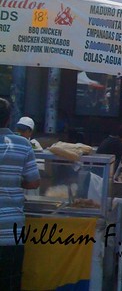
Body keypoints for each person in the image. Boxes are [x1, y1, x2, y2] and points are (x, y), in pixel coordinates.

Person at [0, 98, 40, 290]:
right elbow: (33, 182)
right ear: (9, 120)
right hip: (10, 230)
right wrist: (15, 182)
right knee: (9, 282)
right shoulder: (23, 144)